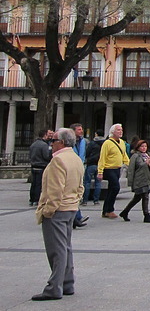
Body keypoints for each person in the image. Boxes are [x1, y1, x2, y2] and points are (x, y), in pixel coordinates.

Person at [32, 128, 84, 301]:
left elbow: (55, 190)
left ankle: (54, 287)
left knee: (56, 250)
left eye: (53, 141)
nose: (50, 144)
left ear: (61, 142)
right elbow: (80, 186)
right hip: (70, 208)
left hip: (58, 210)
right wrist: (75, 201)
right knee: (65, 247)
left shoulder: (58, 161)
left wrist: (48, 210)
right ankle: (67, 283)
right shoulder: (75, 159)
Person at [119, 140, 150, 223]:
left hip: (146, 178)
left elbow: (147, 166)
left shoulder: (146, 155)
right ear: (138, 147)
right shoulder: (135, 156)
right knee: (145, 197)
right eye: (142, 146)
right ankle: (146, 215)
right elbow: (137, 167)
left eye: (145, 146)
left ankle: (125, 212)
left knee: (137, 198)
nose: (144, 148)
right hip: (139, 179)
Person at [97, 123, 129, 219]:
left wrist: (129, 164)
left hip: (117, 168)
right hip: (109, 168)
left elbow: (124, 155)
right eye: (118, 130)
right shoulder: (107, 143)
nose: (120, 132)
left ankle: (106, 210)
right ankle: (110, 209)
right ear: (112, 132)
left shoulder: (122, 142)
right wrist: (100, 171)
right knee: (115, 187)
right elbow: (102, 158)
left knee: (111, 189)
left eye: (121, 130)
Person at [69, 124, 89, 229]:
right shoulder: (68, 141)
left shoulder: (83, 141)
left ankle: (76, 218)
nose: (81, 131)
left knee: (76, 193)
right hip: (71, 168)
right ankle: (77, 217)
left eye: (82, 129)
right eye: (79, 129)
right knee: (73, 193)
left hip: (81, 167)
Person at [29, 129, 52, 207]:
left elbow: (30, 155)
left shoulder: (33, 144)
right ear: (45, 135)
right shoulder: (44, 145)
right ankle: (36, 199)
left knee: (33, 184)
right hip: (41, 166)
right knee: (39, 184)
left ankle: (31, 199)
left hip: (33, 166)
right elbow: (46, 156)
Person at [82, 132, 104, 206]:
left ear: (96, 134)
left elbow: (87, 152)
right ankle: (96, 200)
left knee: (87, 182)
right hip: (100, 164)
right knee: (98, 183)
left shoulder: (92, 143)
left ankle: (85, 200)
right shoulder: (104, 143)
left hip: (91, 164)